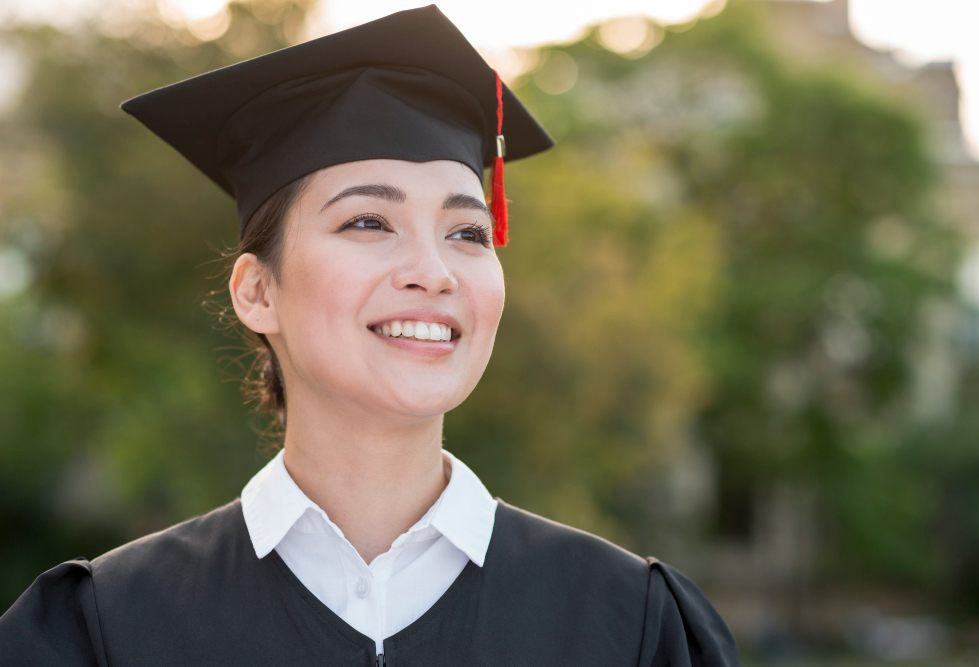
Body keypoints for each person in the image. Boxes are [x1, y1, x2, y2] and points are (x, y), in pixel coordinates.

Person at [0, 5, 740, 665]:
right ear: (257, 291)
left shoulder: (629, 625)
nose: (434, 270)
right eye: (368, 221)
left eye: (467, 232)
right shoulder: (107, 630)